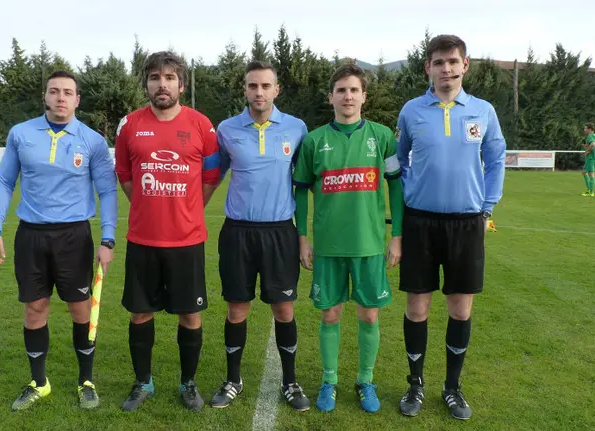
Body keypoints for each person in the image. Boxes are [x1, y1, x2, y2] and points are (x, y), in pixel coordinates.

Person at [0, 70, 118, 411]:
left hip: (74, 237)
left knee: (80, 310)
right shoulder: (21, 134)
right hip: (31, 236)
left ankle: (85, 380)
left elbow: (106, 190)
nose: (61, 97)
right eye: (54, 91)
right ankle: (39, 382)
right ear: (45, 96)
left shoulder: (92, 141)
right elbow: (4, 181)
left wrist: (108, 238)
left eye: (68, 92)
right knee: (35, 309)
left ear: (77, 100)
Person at [395, 34, 506, 420]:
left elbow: (496, 159)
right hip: (420, 222)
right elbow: (399, 160)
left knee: (460, 309)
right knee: (417, 306)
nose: (446, 69)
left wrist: (487, 205)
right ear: (428, 67)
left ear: (465, 65)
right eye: (439, 62)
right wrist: (411, 190)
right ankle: (415, 385)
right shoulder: (411, 111)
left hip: (467, 223)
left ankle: (452, 388)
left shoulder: (483, 111)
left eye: (453, 61)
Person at [292, 63, 404, 414]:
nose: (348, 96)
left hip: (370, 245)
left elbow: (397, 187)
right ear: (331, 97)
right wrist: (303, 238)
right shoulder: (313, 141)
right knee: (330, 316)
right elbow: (299, 192)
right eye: (341, 90)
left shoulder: (383, 136)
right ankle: (330, 381)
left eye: (354, 90)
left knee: (370, 316)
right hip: (328, 246)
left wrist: (396, 236)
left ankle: (365, 380)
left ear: (364, 96)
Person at [114, 51, 220, 413]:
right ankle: (143, 382)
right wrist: (147, 204)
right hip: (143, 240)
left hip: (186, 241)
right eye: (156, 77)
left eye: (170, 78)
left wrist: (188, 208)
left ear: (182, 84)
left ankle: (188, 383)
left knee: (189, 315)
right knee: (140, 313)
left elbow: (210, 177)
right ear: (146, 83)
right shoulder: (130, 125)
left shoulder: (202, 125)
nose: (163, 84)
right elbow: (125, 175)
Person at [209, 60, 310, 411]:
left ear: (276, 90)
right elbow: (212, 177)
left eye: (266, 86)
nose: (259, 92)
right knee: (237, 308)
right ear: (245, 89)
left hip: (280, 232)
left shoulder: (296, 128)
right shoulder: (226, 129)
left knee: (284, 308)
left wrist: (305, 233)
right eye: (253, 86)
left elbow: (304, 182)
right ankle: (233, 379)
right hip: (238, 232)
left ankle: (290, 381)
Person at [582, 122, 595, 197]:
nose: (584, 129)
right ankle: (590, 190)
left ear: (589, 129)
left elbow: (593, 144)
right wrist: (594, 151)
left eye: (585, 128)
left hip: (590, 158)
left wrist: (588, 151)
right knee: (586, 173)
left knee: (588, 173)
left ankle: (590, 191)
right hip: (593, 157)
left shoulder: (590, 136)